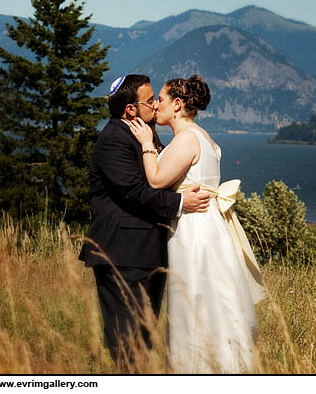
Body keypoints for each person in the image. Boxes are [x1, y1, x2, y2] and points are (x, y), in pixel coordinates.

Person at [128, 74, 266, 373]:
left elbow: (155, 180)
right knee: (212, 297)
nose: (155, 105)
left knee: (193, 297)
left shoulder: (187, 138)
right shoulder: (204, 136)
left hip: (194, 231)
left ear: (177, 105)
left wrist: (146, 143)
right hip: (210, 227)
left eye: (160, 100)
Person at [79, 74, 211, 367]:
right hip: (121, 254)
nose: (155, 105)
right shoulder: (114, 140)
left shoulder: (143, 133)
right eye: (150, 100)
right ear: (130, 110)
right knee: (126, 338)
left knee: (145, 337)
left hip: (148, 253)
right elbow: (135, 192)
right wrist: (180, 203)